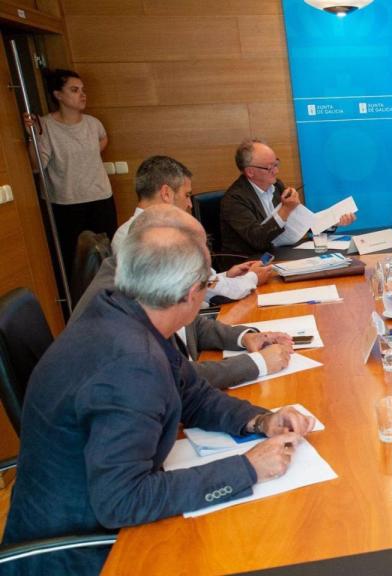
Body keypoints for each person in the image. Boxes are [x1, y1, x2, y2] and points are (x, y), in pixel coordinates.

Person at [2, 220, 314, 574]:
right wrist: (247, 468)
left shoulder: (126, 310)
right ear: (188, 293)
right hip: (79, 550)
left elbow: (193, 395)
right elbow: (122, 500)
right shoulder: (132, 365)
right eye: (207, 285)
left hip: (92, 506)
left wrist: (260, 420)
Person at [71, 205, 294, 390]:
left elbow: (189, 326)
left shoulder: (146, 275)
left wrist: (244, 337)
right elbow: (172, 378)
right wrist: (256, 364)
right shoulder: (120, 305)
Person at [111, 155, 273, 304]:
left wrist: (226, 276)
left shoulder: (127, 231)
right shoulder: (152, 236)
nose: (189, 204)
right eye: (187, 195)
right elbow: (211, 291)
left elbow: (196, 281)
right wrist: (253, 278)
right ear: (166, 193)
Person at [24, 68, 117, 272]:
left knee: (107, 253)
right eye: (75, 90)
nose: (82, 95)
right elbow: (37, 165)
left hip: (100, 197)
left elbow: (103, 138)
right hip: (66, 202)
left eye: (83, 89)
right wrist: (33, 135)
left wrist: (88, 156)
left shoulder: (93, 123)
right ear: (58, 95)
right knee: (75, 260)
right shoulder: (46, 126)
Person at [220, 138, 356, 256]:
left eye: (276, 164)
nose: (276, 171)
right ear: (250, 172)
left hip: (279, 254)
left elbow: (303, 224)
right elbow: (258, 240)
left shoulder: (277, 186)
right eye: (269, 167)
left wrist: (333, 221)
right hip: (247, 264)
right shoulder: (234, 200)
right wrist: (286, 209)